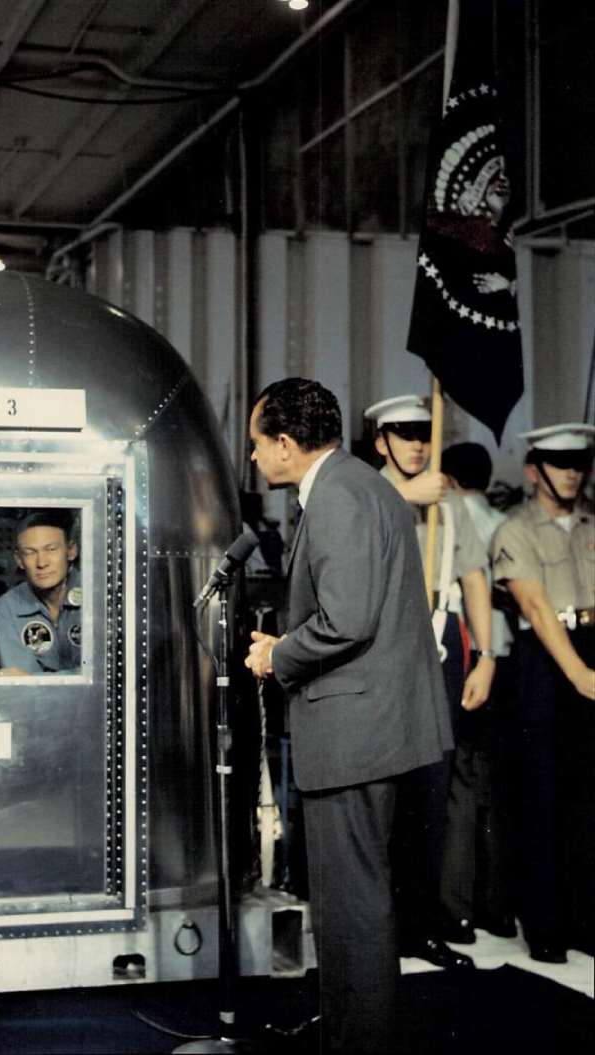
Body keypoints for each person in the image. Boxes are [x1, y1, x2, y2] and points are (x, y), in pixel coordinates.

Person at [244, 378, 452, 1055]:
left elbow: (348, 619)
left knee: (352, 907)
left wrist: (278, 654)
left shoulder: (335, 496)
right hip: (371, 727)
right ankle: (348, 1027)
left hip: (354, 732)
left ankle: (359, 1040)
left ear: (283, 442)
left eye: (256, 443)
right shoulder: (360, 486)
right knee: (350, 902)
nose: (252, 458)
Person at [366, 395, 494, 966]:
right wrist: (401, 496)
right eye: (404, 433)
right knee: (381, 793)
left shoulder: (449, 503)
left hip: (439, 647)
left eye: (425, 433)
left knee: (432, 791)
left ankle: (421, 924)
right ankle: (374, 929)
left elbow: (473, 578)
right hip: (380, 651)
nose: (417, 444)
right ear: (381, 441)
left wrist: (486, 655)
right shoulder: (364, 491)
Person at [491, 423, 595, 963]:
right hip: (546, 664)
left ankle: (583, 917)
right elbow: (534, 607)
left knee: (587, 795)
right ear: (534, 471)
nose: (573, 472)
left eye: (579, 463)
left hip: (590, 649)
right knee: (541, 797)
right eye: (560, 463)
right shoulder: (515, 531)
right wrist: (579, 674)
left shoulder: (590, 526)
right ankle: (545, 924)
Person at [437, 441, 515, 941]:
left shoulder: (452, 512)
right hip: (511, 655)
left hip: (470, 658)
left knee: (460, 788)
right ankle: (497, 907)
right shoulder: (502, 518)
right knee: (494, 790)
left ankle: (457, 909)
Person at [0, 510, 82, 675]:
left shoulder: (99, 595)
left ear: (71, 551)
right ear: (19, 560)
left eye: (51, 549)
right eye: (30, 552)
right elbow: (23, 682)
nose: (41, 563)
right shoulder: (8, 607)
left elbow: (104, 675)